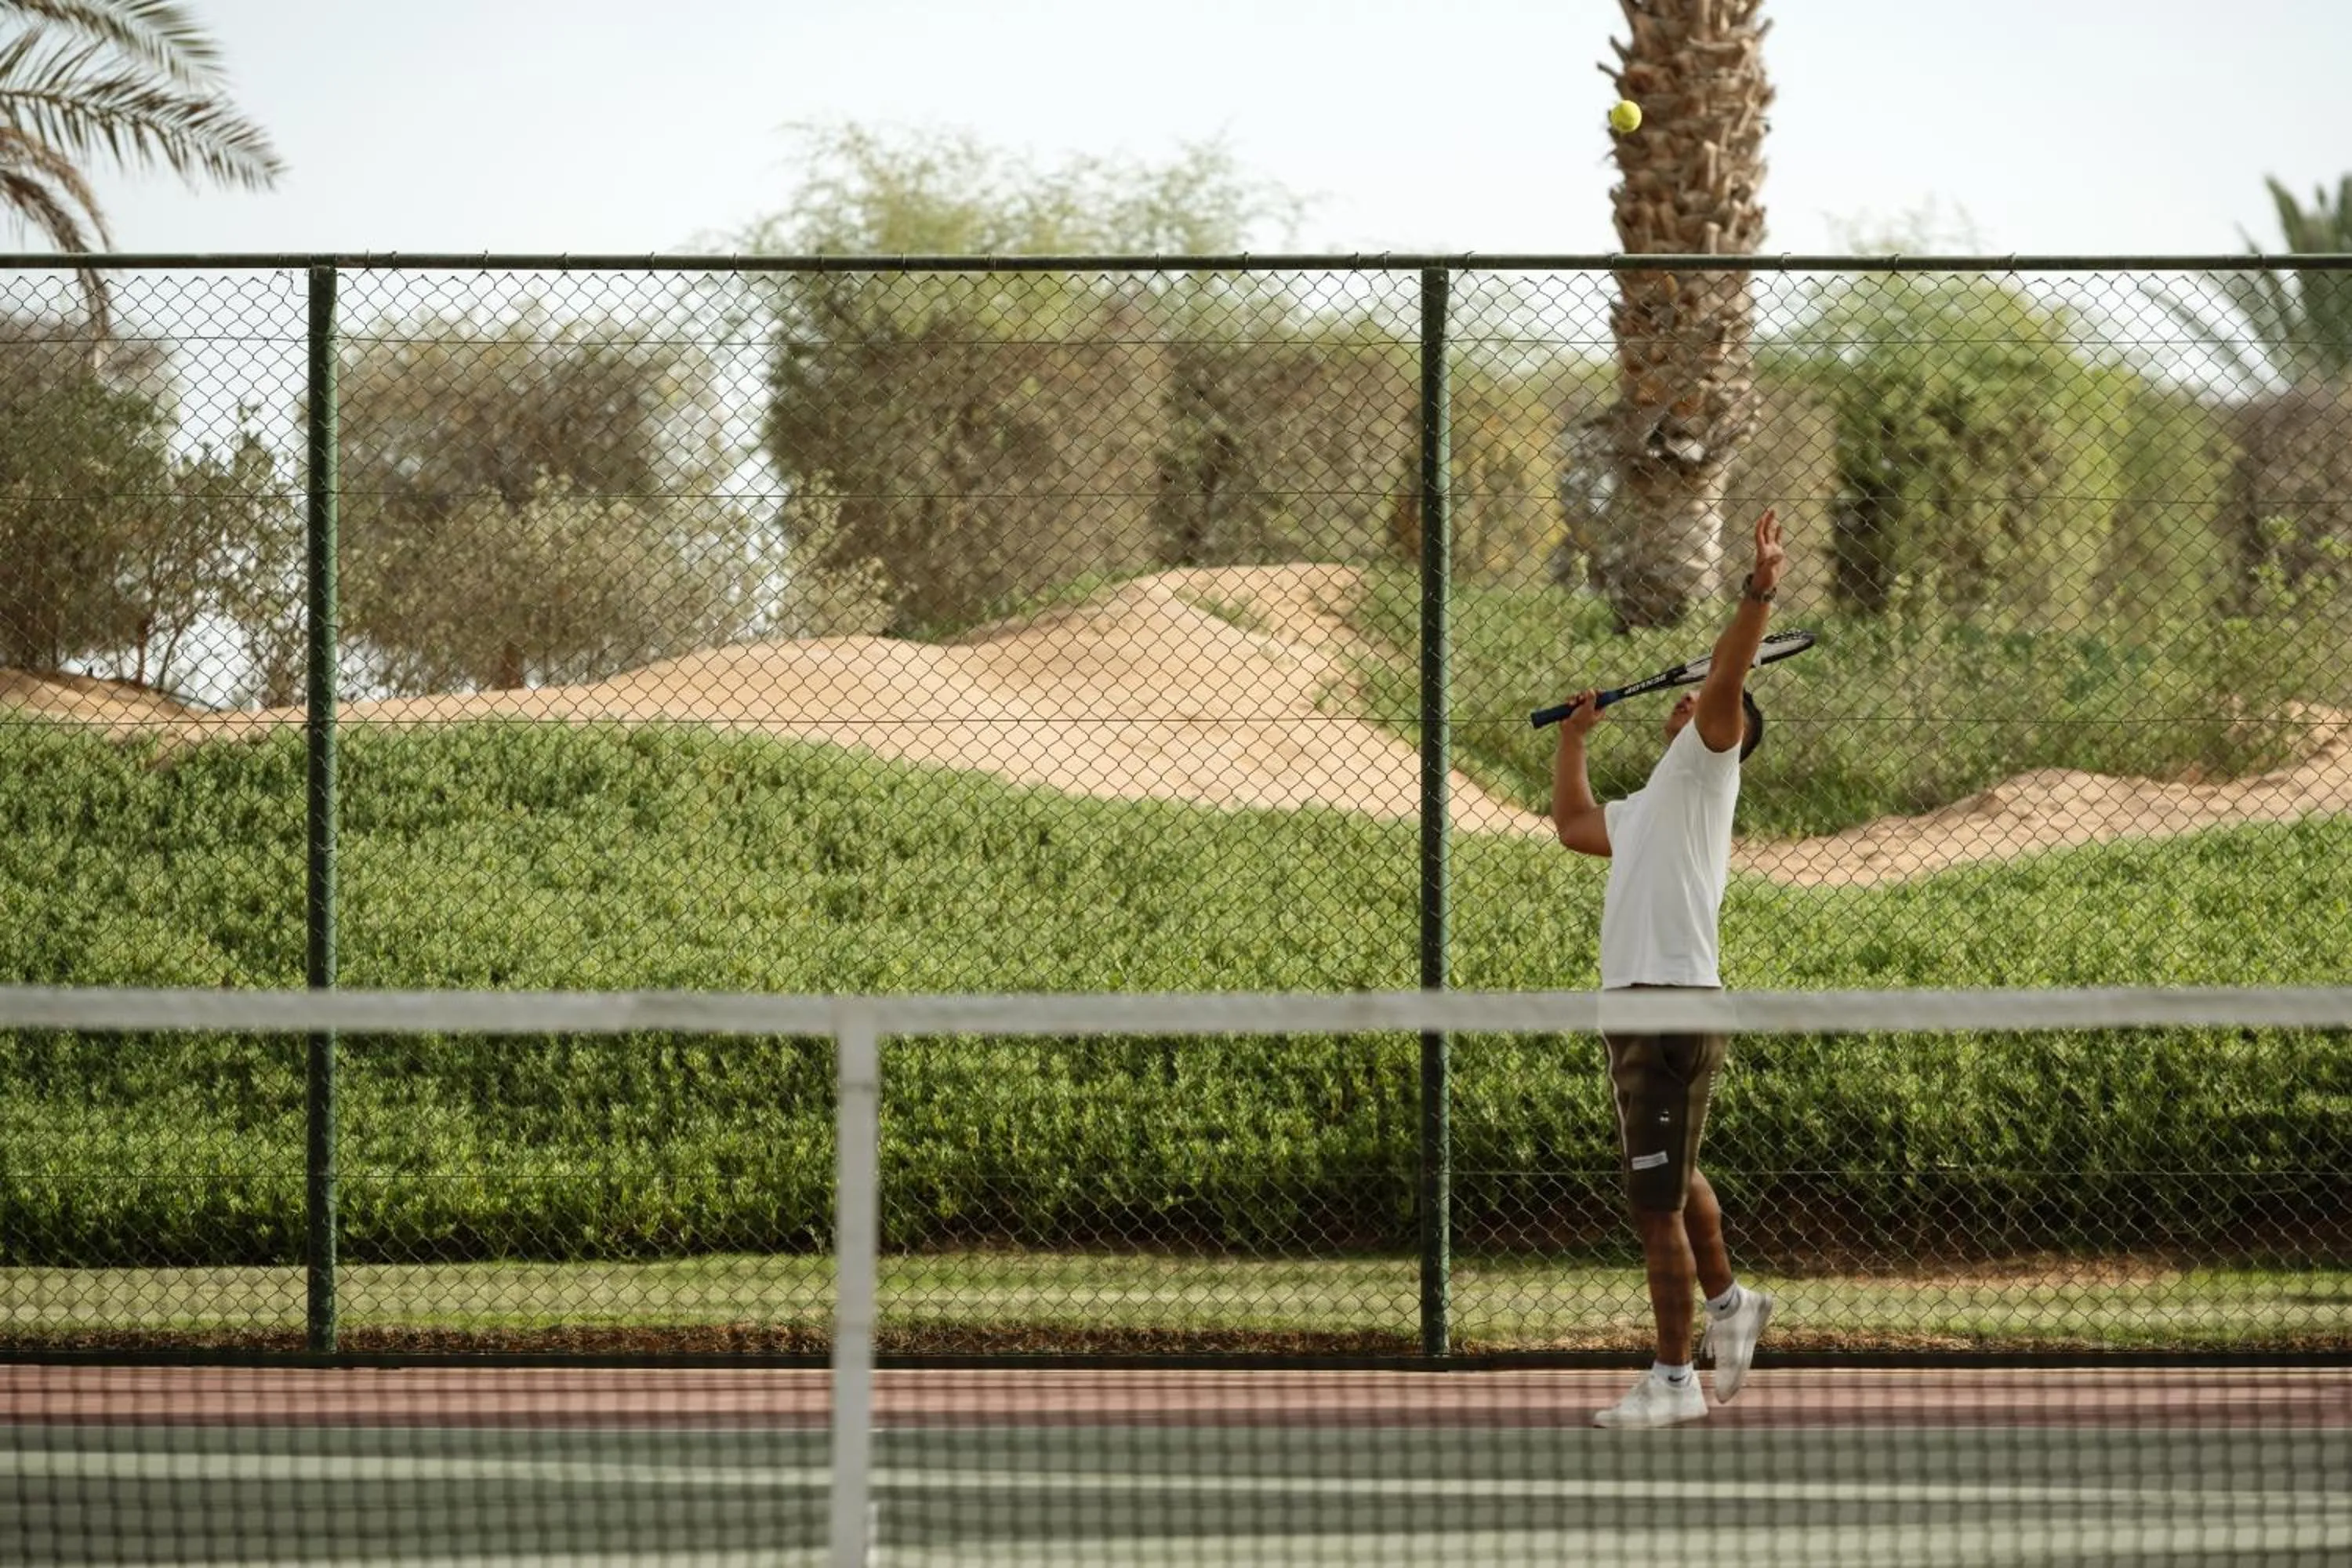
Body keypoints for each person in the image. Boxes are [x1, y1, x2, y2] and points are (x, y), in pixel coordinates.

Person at [1550, 508, 1784, 1429]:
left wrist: (1758, 591)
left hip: (1673, 1005)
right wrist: (1575, 739)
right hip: (1633, 1008)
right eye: (1689, 698)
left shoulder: (1707, 770)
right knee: (1674, 1175)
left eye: (1713, 702)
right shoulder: (1651, 805)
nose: (1692, 701)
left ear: (1727, 728)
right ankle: (1733, 1307)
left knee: (1652, 1200)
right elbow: (1573, 826)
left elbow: (1728, 673)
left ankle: (1675, 1379)